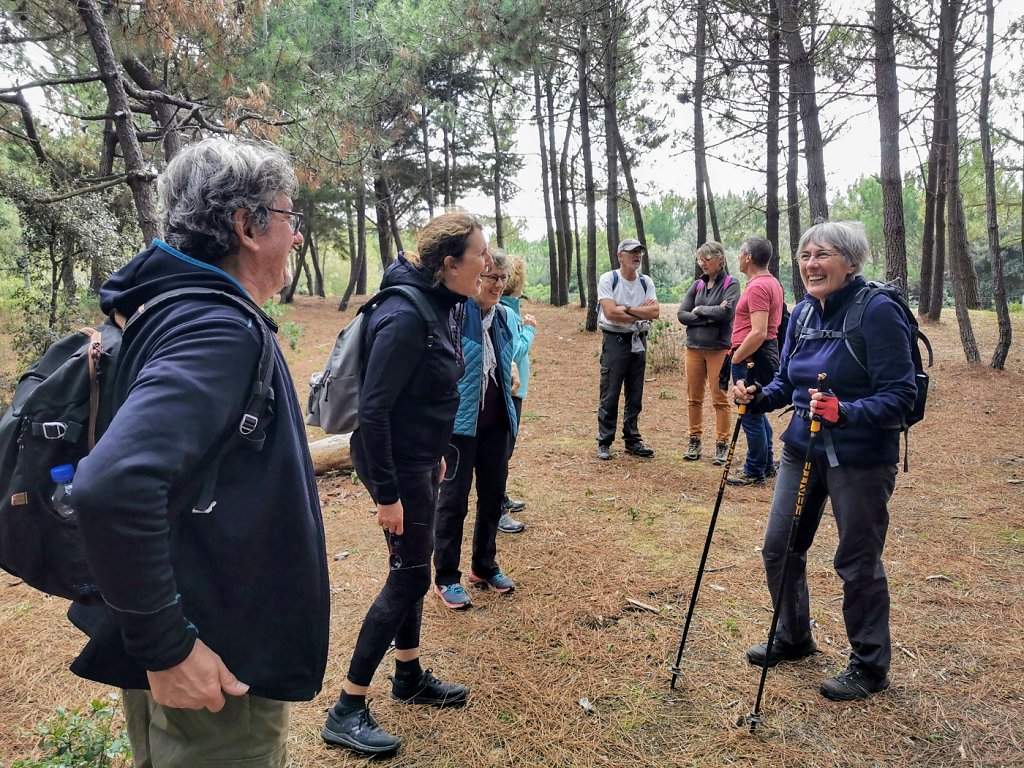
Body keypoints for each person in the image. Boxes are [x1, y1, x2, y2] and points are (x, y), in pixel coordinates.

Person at [69, 138, 328, 767]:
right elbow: (111, 484)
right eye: (291, 218)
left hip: (200, 625)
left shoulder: (168, 310)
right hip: (213, 661)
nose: (297, 238)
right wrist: (168, 648)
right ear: (246, 225)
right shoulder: (216, 327)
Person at [321, 212, 488, 756]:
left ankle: (409, 675)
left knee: (412, 570)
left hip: (420, 459)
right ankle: (347, 706)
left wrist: (438, 452)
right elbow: (373, 410)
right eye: (479, 256)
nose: (487, 264)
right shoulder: (404, 315)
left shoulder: (444, 305)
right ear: (448, 264)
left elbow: (428, 392)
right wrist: (390, 493)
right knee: (409, 576)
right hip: (393, 464)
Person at [733, 221, 916, 702]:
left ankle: (870, 664)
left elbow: (901, 395)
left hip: (861, 457)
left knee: (856, 561)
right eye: (805, 255)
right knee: (779, 546)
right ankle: (793, 637)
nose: (811, 263)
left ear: (851, 261)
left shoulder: (876, 311)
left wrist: (846, 411)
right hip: (801, 448)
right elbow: (788, 387)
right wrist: (756, 397)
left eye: (823, 254)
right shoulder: (803, 315)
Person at [433, 251, 520, 610]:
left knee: (492, 497)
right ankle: (446, 577)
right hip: (460, 427)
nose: (498, 284)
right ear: (476, 278)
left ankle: (483, 566)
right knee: (453, 503)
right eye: (491, 276)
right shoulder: (456, 314)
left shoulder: (503, 318)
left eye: (503, 278)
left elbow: (508, 361)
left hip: (497, 423)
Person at [726, 237, 785, 486]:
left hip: (750, 357)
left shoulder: (759, 287)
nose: (738, 258)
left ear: (748, 257)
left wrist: (737, 356)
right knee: (757, 412)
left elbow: (759, 331)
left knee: (749, 413)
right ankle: (766, 463)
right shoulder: (770, 283)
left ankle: (754, 470)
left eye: (740, 254)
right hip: (755, 355)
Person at [595, 238, 660, 461]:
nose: (637, 256)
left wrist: (628, 309)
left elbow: (655, 313)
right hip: (615, 341)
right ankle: (605, 441)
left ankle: (632, 440)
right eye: (632, 252)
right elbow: (610, 312)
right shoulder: (609, 279)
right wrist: (640, 311)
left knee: (635, 393)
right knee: (610, 391)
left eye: (639, 252)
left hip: (638, 340)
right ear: (620, 255)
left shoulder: (646, 281)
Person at [677, 241, 740, 464]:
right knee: (693, 398)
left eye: (707, 259)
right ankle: (694, 440)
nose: (702, 263)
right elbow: (681, 314)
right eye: (700, 259)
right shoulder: (697, 285)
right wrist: (708, 318)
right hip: (693, 349)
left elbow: (727, 313)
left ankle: (722, 445)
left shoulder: (731, 284)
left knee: (720, 399)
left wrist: (699, 311)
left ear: (720, 259)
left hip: (718, 350)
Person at [498, 254, 537, 534]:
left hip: (515, 389)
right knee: (501, 451)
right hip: (509, 391)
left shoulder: (509, 308)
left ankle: (501, 497)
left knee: (504, 451)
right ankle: (497, 510)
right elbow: (513, 352)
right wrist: (530, 331)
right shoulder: (506, 311)